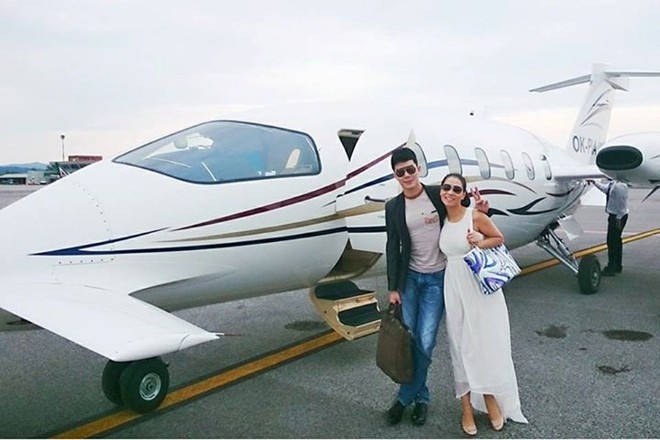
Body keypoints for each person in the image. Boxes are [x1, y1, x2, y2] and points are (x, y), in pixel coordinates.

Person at [384, 148, 488, 426]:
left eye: (410, 169)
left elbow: (462, 210)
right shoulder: (393, 207)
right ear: (395, 176)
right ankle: (421, 398)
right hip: (409, 279)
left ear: (418, 168)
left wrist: (481, 209)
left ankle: (404, 398)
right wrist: (393, 287)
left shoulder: (436, 195)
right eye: (400, 172)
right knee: (411, 340)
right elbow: (393, 246)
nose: (407, 175)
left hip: (436, 279)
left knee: (426, 341)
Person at [438, 172, 528, 436]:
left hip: (478, 287)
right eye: (446, 187)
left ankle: (490, 400)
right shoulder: (442, 219)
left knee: (481, 346)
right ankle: (466, 409)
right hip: (453, 286)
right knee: (459, 347)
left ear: (463, 194)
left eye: (456, 189)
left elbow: (498, 238)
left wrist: (480, 240)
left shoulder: (474, 216)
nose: (450, 192)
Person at [589, 179, 629, 276]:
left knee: (612, 242)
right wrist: (594, 182)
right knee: (616, 241)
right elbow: (605, 189)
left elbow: (622, 205)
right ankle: (617, 265)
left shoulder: (620, 186)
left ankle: (612, 267)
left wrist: (618, 219)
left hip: (617, 216)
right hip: (615, 215)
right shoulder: (614, 183)